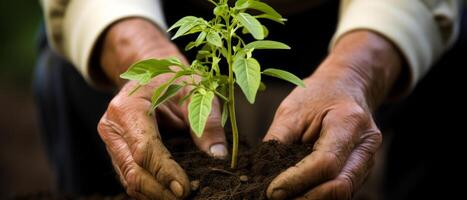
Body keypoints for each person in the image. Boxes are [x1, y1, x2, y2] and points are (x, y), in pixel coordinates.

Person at [37, 0, 461, 199]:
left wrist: (356, 70)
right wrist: (133, 42)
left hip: (347, 13)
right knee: (72, 75)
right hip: (159, 13)